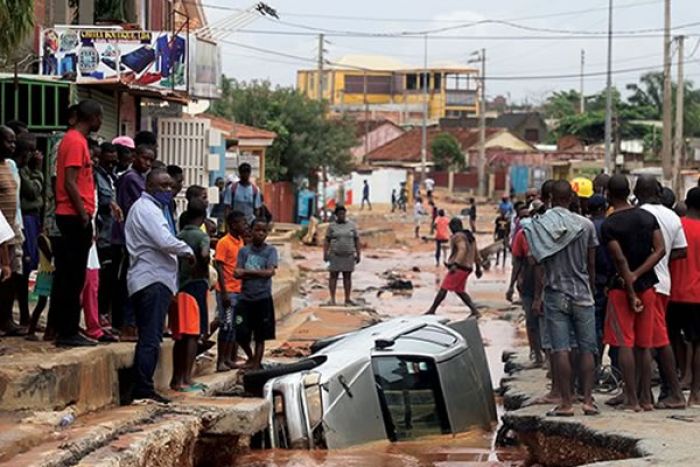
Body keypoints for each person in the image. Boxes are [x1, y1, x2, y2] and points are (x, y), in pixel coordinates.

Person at [523, 180, 599, 417]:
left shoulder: (540, 225)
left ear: (550, 199)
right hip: (583, 294)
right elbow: (591, 264)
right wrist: (592, 288)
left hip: (555, 292)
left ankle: (566, 403)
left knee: (561, 349)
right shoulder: (586, 225)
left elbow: (535, 260)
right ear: (572, 198)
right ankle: (587, 400)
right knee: (587, 349)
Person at [125, 168, 194, 403]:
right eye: (162, 186)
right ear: (149, 187)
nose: (168, 190)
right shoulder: (148, 210)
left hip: (155, 279)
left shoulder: (153, 209)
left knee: (150, 336)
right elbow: (164, 241)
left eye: (170, 186)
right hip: (151, 280)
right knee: (150, 338)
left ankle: (142, 386)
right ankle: (143, 389)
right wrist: (187, 250)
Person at [602, 174, 665, 412]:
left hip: (621, 290)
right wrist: (639, 275)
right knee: (644, 344)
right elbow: (659, 250)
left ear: (608, 194)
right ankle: (646, 397)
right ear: (629, 191)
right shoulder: (647, 217)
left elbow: (618, 258)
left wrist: (630, 283)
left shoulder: (610, 224)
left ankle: (631, 399)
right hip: (648, 287)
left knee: (624, 343)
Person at [48, 100, 102, 347]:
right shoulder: (75, 141)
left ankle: (63, 328)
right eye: (99, 117)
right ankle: (67, 331)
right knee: (73, 276)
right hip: (73, 215)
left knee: (69, 275)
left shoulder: (75, 141)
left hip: (73, 213)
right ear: (92, 118)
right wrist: (82, 214)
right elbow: (69, 181)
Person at [636, 176, 687, 408]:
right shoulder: (672, 216)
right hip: (664, 283)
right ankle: (653, 392)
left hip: (645, 283)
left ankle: (662, 394)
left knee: (652, 340)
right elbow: (680, 251)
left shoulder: (637, 215)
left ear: (636, 191)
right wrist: (661, 261)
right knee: (656, 337)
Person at [113, 144, 156, 337]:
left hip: (132, 237)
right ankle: (127, 324)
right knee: (131, 280)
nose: (147, 163)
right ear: (135, 156)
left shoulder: (139, 179)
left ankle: (130, 323)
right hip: (128, 237)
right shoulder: (131, 179)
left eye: (150, 160)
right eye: (144, 158)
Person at [171, 199, 210, 392]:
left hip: (179, 287)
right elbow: (203, 254)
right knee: (193, 335)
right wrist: (203, 266)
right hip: (195, 287)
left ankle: (176, 378)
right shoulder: (201, 236)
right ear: (203, 217)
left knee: (180, 336)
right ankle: (186, 379)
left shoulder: (178, 235)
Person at [669, 187, 700, 406]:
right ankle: (696, 392)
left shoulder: (674, 225)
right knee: (698, 343)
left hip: (672, 292)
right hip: (697, 294)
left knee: (672, 339)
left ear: (686, 203)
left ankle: (679, 380)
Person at [234, 220, 278, 369]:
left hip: (263, 297)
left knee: (261, 335)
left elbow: (269, 272)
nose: (260, 233)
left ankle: (256, 363)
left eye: (264, 231)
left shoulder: (271, 251)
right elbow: (236, 273)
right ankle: (251, 357)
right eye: (257, 230)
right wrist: (258, 273)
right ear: (251, 231)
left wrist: (247, 272)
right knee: (240, 332)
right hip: (245, 298)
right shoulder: (244, 251)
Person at [507, 206, 542, 366]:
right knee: (531, 320)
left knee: (542, 321)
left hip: (544, 285)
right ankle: (536, 354)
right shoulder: (522, 235)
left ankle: (544, 354)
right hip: (528, 284)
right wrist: (511, 285)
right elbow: (517, 263)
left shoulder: (545, 236)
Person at [426, 218, 482, 318]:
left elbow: (462, 249)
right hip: (467, 268)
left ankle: (432, 309)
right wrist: (478, 268)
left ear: (454, 227)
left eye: (451, 227)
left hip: (459, 267)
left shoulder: (458, 237)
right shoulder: (470, 236)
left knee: (443, 288)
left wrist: (455, 264)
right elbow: (476, 254)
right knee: (459, 291)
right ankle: (475, 311)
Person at [215, 210, 248, 371]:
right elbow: (219, 267)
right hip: (227, 290)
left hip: (238, 290)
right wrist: (224, 292)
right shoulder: (224, 242)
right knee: (226, 325)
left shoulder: (240, 241)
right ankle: (221, 360)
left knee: (234, 327)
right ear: (234, 225)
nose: (245, 225)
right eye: (243, 222)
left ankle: (229, 359)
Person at [94, 142, 122, 327]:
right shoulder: (96, 176)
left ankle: (106, 313)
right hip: (101, 234)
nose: (112, 165)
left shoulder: (112, 177)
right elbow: (98, 201)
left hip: (113, 234)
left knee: (111, 278)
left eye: (114, 161)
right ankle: (99, 313)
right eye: (108, 161)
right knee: (102, 278)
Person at [17, 134, 43, 327]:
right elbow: (33, 191)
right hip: (24, 218)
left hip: (33, 217)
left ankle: (28, 316)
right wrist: (36, 170)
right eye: (31, 150)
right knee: (23, 267)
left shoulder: (27, 170)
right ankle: (24, 315)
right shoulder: (19, 170)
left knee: (31, 266)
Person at [588, 194, 614, 364]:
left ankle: (595, 365)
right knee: (614, 325)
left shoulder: (587, 227)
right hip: (612, 282)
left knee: (595, 325)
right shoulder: (611, 225)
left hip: (594, 282)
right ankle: (616, 369)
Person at [324, 205, 361, 306]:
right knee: (333, 277)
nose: (342, 216)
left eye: (343, 214)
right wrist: (325, 253)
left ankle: (347, 299)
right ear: (336, 215)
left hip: (348, 255)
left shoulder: (352, 226)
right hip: (335, 255)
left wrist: (358, 253)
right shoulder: (332, 226)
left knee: (347, 277)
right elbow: (327, 240)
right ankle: (332, 299)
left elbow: (357, 240)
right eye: (340, 214)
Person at [26, 233, 53, 340]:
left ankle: (48, 330)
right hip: (46, 273)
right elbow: (49, 255)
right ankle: (32, 330)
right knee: (42, 303)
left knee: (46, 304)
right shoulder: (42, 238)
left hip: (48, 272)